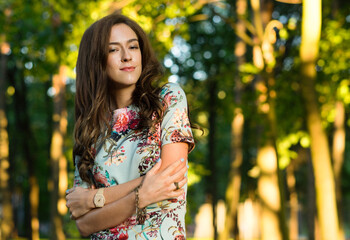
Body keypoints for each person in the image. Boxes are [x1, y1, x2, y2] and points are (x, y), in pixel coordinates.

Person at [65, 13, 195, 240]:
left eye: (133, 47)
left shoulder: (168, 99)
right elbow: (84, 225)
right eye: (113, 49)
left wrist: (94, 199)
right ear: (96, 60)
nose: (127, 57)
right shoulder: (90, 128)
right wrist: (142, 195)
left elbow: (172, 180)